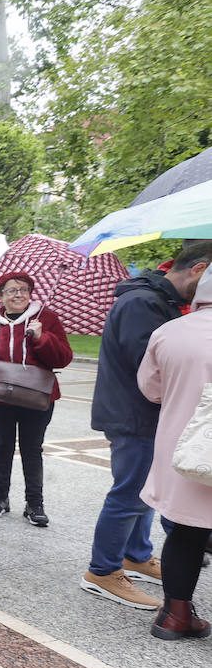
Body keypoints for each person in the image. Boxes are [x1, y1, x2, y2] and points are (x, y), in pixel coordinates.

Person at [82, 241, 212, 609]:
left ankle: (136, 555)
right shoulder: (143, 303)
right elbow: (154, 367)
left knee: (145, 493)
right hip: (134, 414)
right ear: (200, 270)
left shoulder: (157, 300)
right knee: (129, 494)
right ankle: (102, 571)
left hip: (143, 413)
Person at [0, 272, 73, 526]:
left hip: (37, 397)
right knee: (2, 446)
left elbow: (63, 359)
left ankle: (35, 504)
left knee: (32, 449)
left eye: (24, 289)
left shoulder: (46, 318)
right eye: (11, 290)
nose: (18, 295)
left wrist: (41, 338)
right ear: (0, 296)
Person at [139, 266, 212, 639]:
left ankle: (175, 616)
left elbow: (151, 389)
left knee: (185, 532)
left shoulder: (170, 332)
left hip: (187, 452)